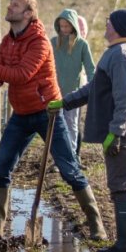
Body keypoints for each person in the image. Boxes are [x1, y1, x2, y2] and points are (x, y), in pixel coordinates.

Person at [0, 0, 106, 241]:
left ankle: (96, 225)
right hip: (21, 114)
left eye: (16, 5)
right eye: (10, 4)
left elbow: (22, 74)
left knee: (68, 169)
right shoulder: (7, 41)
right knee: (1, 166)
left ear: (28, 14)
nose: (10, 7)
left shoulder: (40, 42)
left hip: (48, 113)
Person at [50, 8, 126, 252]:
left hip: (121, 133)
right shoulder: (119, 52)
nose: (105, 26)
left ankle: (125, 246)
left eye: (109, 22)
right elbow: (94, 87)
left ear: (117, 27)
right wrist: (65, 102)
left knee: (122, 186)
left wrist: (115, 132)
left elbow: (125, 99)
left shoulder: (121, 56)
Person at [51, 9, 95, 162]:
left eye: (67, 27)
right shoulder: (54, 42)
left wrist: (93, 85)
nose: (64, 30)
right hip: (54, 92)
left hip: (73, 93)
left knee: (71, 124)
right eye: (61, 26)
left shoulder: (82, 45)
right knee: (55, 125)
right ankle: (58, 157)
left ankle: (71, 158)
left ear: (74, 26)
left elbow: (90, 67)